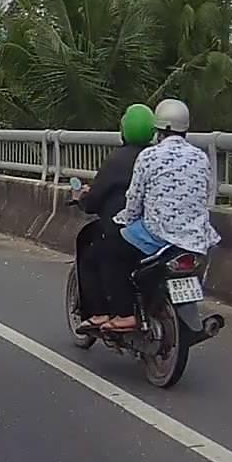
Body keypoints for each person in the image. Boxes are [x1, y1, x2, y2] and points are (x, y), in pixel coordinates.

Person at [90, 98, 221, 332]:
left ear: (157, 129)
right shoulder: (200, 156)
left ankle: (124, 314)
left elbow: (134, 200)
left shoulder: (149, 156)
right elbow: (207, 193)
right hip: (198, 238)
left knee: (110, 249)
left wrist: (123, 221)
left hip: (159, 235)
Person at [73, 103, 155, 331]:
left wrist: (83, 198)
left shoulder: (117, 160)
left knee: (95, 255)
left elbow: (94, 200)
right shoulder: (156, 156)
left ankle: (103, 312)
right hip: (159, 231)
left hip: (127, 230)